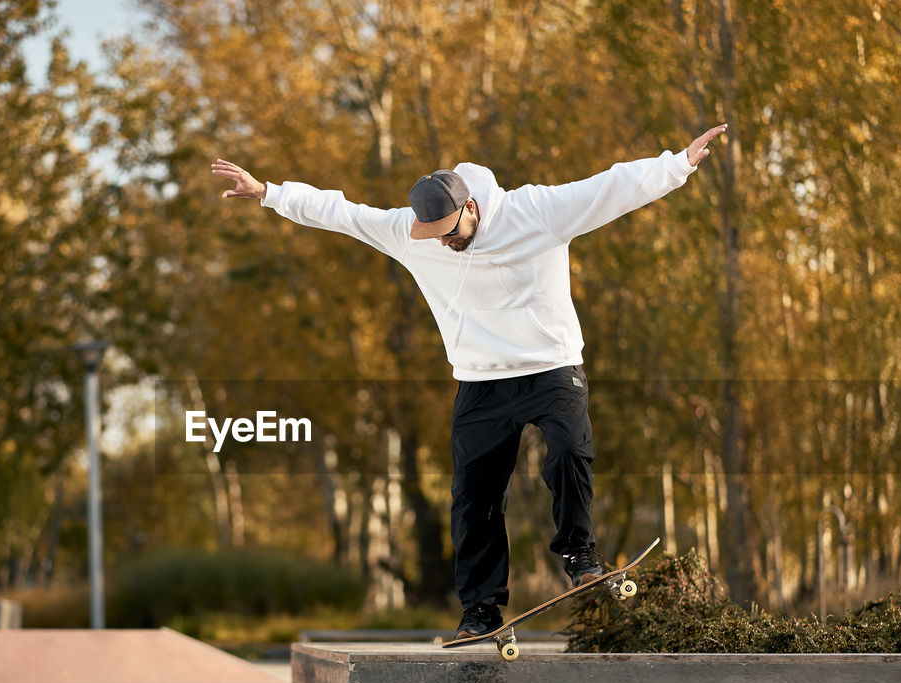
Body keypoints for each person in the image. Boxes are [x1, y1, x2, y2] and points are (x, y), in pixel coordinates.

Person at [211, 123, 727, 640]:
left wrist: (677, 165)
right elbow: (342, 213)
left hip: (552, 366)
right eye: (434, 238)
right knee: (474, 496)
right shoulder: (408, 234)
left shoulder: (536, 211)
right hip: (480, 381)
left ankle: (580, 554)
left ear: (472, 208)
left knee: (569, 451)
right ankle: (480, 610)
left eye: (452, 232)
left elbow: (609, 188)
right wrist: (268, 194)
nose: (446, 244)